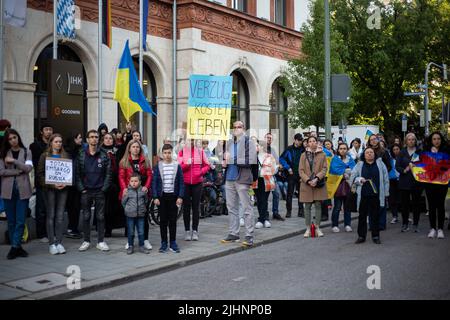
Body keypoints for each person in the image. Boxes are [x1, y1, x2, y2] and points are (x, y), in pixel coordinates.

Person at [221, 121, 258, 247]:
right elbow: (226, 159)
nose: (237, 128)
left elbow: (250, 161)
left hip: (243, 179)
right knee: (231, 207)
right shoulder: (230, 143)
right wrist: (224, 162)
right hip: (229, 178)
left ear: (244, 128)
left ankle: (249, 235)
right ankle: (234, 233)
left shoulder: (249, 142)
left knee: (247, 208)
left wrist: (232, 159)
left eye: (239, 126)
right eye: (235, 127)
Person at [77, 130, 112, 252]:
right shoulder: (81, 154)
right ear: (87, 139)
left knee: (100, 217)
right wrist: (82, 189)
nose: (94, 139)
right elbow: (77, 174)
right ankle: (86, 240)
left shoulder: (104, 154)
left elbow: (109, 173)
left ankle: (101, 241)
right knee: (86, 216)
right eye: (91, 137)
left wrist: (104, 189)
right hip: (86, 190)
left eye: (96, 137)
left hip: (99, 190)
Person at [0, 129, 33, 259]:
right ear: (7, 141)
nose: (13, 140)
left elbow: (28, 168)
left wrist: (14, 161)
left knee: (20, 220)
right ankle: (17, 247)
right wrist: (18, 172)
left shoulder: (26, 152)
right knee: (11, 221)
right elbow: (1, 171)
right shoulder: (3, 154)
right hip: (7, 191)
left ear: (18, 137)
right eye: (10, 139)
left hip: (23, 190)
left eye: (15, 137)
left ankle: (14, 247)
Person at [36, 134, 69, 255]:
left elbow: (69, 173)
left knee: (60, 216)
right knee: (51, 215)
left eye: (60, 142)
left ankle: (59, 242)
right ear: (51, 143)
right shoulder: (44, 156)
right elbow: (40, 175)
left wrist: (66, 183)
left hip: (63, 189)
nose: (59, 144)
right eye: (56, 142)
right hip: (49, 189)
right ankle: (51, 243)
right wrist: (53, 184)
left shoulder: (65, 155)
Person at [350, 147, 389, 245]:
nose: (369, 154)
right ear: (364, 154)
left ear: (374, 154)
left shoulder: (380, 164)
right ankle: (361, 236)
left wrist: (386, 193)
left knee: (375, 216)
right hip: (363, 195)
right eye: (367, 152)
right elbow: (353, 177)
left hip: (376, 195)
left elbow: (385, 179)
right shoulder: (359, 164)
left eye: (371, 152)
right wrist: (359, 179)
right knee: (362, 216)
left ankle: (376, 236)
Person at [119, 140, 153, 250]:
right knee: (130, 218)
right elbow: (121, 177)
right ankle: (130, 242)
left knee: (144, 217)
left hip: (142, 193)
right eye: (133, 147)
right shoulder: (124, 161)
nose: (135, 149)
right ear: (129, 148)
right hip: (130, 192)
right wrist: (124, 189)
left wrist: (146, 187)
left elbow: (149, 176)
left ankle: (145, 240)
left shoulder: (145, 160)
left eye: (137, 147)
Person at [152, 144, 184, 253]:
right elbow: (154, 182)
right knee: (163, 221)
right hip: (162, 197)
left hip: (173, 197)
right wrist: (155, 196)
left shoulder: (177, 166)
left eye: (169, 153)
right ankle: (164, 242)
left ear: (172, 153)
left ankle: (173, 242)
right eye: (165, 153)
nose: (167, 155)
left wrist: (180, 196)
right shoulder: (158, 166)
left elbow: (181, 182)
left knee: (173, 220)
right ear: (162, 154)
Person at [178, 139, 210, 241]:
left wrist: (200, 172)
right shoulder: (182, 152)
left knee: (196, 207)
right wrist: (187, 164)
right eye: (188, 140)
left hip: (197, 183)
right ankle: (187, 231)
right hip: (186, 183)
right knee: (186, 208)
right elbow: (179, 168)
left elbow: (207, 165)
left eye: (192, 140)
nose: (190, 142)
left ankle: (195, 230)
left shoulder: (200, 152)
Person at [299, 136, 328, 238]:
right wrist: (308, 180)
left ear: (317, 142)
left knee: (318, 206)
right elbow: (301, 170)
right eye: (309, 141)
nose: (312, 143)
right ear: (307, 143)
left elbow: (324, 169)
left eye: (314, 141)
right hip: (306, 184)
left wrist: (316, 179)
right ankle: (307, 228)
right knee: (307, 207)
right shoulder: (303, 155)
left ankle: (317, 227)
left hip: (318, 183)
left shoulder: (322, 154)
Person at [423, 132, 450, 238]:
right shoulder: (426, 151)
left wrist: (437, 157)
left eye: (438, 138)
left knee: (440, 206)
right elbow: (422, 165)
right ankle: (433, 228)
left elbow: (447, 166)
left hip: (442, 182)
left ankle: (440, 229)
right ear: (431, 140)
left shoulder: (446, 151)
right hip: (429, 183)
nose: (436, 141)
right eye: (434, 139)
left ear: (441, 140)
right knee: (432, 206)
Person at [29, 123, 53, 242]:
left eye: (50, 130)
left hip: (53, 181)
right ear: (41, 132)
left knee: (51, 209)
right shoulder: (35, 146)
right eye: (46, 129)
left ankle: (50, 232)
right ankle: (41, 234)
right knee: (41, 209)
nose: (48, 132)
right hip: (41, 182)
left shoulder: (55, 145)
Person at [396, 133, 423, 233]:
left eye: (413, 139)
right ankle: (405, 224)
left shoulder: (420, 152)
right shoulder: (402, 152)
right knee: (405, 205)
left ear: (415, 141)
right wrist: (404, 170)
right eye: (409, 139)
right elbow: (397, 166)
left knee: (416, 204)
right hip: (404, 182)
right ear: (406, 141)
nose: (411, 141)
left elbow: (424, 165)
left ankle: (415, 224)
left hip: (416, 182)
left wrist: (416, 168)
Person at [101, 132, 124, 238]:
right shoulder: (100, 151)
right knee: (105, 208)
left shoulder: (117, 151)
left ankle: (115, 227)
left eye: (110, 138)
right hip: (103, 183)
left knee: (115, 207)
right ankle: (106, 229)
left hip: (116, 183)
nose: (108, 140)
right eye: (106, 138)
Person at [122, 173, 150, 254]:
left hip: (140, 215)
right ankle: (130, 246)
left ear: (140, 182)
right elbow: (123, 202)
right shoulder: (127, 191)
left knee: (141, 231)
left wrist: (143, 209)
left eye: (136, 181)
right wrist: (128, 209)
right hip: (130, 215)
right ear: (129, 182)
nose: (134, 183)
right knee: (131, 232)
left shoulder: (143, 191)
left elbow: (146, 201)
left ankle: (142, 246)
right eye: (132, 181)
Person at [331, 143, 356, 233]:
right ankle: (334, 225)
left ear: (347, 149)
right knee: (337, 206)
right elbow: (333, 170)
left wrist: (347, 172)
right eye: (341, 148)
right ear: (338, 150)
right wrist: (345, 171)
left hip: (349, 185)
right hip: (338, 185)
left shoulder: (351, 159)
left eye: (344, 148)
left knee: (347, 207)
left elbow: (354, 170)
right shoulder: (335, 159)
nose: (342, 150)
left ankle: (347, 224)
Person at [279, 133, 305, 218]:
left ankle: (301, 211)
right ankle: (288, 211)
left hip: (301, 174)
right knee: (289, 193)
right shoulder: (289, 149)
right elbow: (281, 158)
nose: (300, 142)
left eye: (301, 140)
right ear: (295, 140)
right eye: (299, 140)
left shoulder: (303, 149)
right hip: (291, 174)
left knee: (301, 193)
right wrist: (288, 167)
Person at [63, 131, 83, 239]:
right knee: (71, 208)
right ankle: (70, 228)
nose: (81, 140)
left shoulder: (79, 151)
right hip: (68, 185)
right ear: (74, 139)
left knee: (76, 208)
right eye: (79, 138)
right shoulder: (66, 153)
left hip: (77, 184)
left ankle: (74, 228)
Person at [265, 133, 284, 221]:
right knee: (265, 196)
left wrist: (278, 166)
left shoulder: (273, 150)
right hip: (264, 176)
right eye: (268, 138)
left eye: (270, 138)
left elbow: (277, 162)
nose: (269, 139)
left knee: (276, 194)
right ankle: (265, 213)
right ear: (264, 138)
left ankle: (275, 213)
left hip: (272, 176)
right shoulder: (261, 150)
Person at [388, 144, 401, 224]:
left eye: (397, 149)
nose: (396, 151)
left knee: (402, 199)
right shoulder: (390, 159)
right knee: (392, 199)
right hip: (392, 180)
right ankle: (394, 216)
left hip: (401, 180)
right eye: (394, 149)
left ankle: (405, 216)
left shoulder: (403, 158)